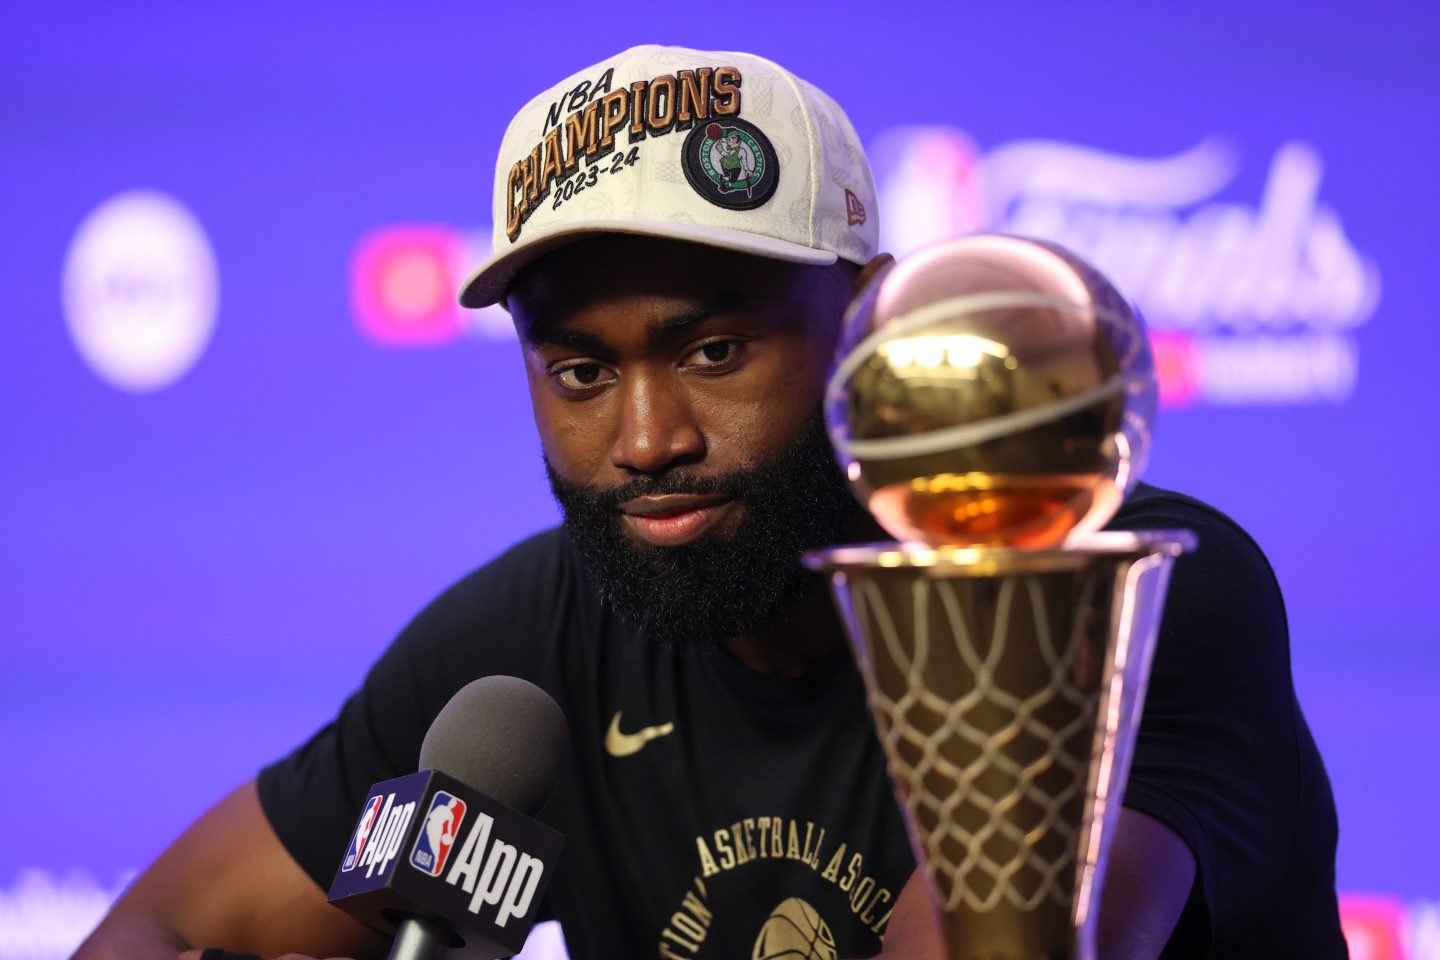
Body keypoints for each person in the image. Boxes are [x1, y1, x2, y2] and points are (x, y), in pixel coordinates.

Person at [75, 44, 1347, 960]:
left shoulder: (1123, 594)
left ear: (868, 318)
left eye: (713, 352)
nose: (645, 440)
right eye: (580, 371)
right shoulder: (527, 659)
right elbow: (169, 927)